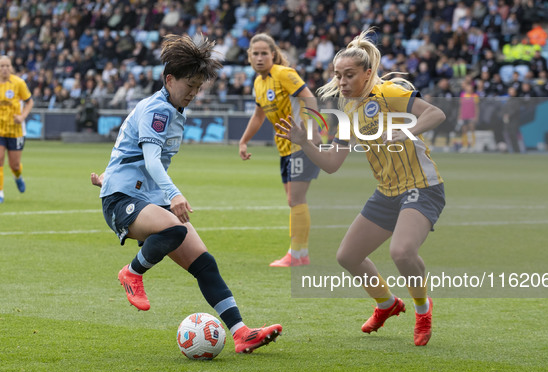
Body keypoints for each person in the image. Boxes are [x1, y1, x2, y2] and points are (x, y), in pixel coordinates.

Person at [90, 34, 281, 354]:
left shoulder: (172, 110)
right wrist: (174, 194)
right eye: (188, 85)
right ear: (169, 79)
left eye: (198, 87)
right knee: (175, 229)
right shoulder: (158, 110)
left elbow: (133, 153)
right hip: (123, 198)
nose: (193, 93)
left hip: (144, 195)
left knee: (204, 263)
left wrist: (114, 175)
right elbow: (150, 160)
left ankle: (241, 332)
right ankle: (132, 272)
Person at [274, 29, 446, 346]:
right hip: (387, 192)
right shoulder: (349, 112)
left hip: (422, 187)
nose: (341, 82)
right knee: (348, 256)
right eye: (338, 75)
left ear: (368, 73)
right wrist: (303, 143)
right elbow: (331, 164)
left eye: (349, 75)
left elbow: (436, 113)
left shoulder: (389, 93)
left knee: (402, 251)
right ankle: (386, 304)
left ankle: (423, 309)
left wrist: (408, 131)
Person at [238, 33, 321, 267]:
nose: (260, 57)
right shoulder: (258, 82)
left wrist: (313, 131)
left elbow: (309, 99)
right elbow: (258, 115)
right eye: (255, 53)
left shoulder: (284, 74)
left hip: (300, 145)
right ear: (249, 57)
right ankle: (301, 255)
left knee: (296, 199)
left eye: (264, 53)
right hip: (285, 148)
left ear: (273, 55)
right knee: (292, 199)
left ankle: (295, 255)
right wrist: (243, 141)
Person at [0, 55, 34, 204]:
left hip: (15, 131)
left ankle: (18, 176)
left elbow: (29, 102)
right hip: (0, 130)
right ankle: (0, 192)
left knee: (14, 164)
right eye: (2, 66)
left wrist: (22, 117)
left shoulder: (19, 83)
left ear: (11, 67)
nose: (5, 69)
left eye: (7, 66)